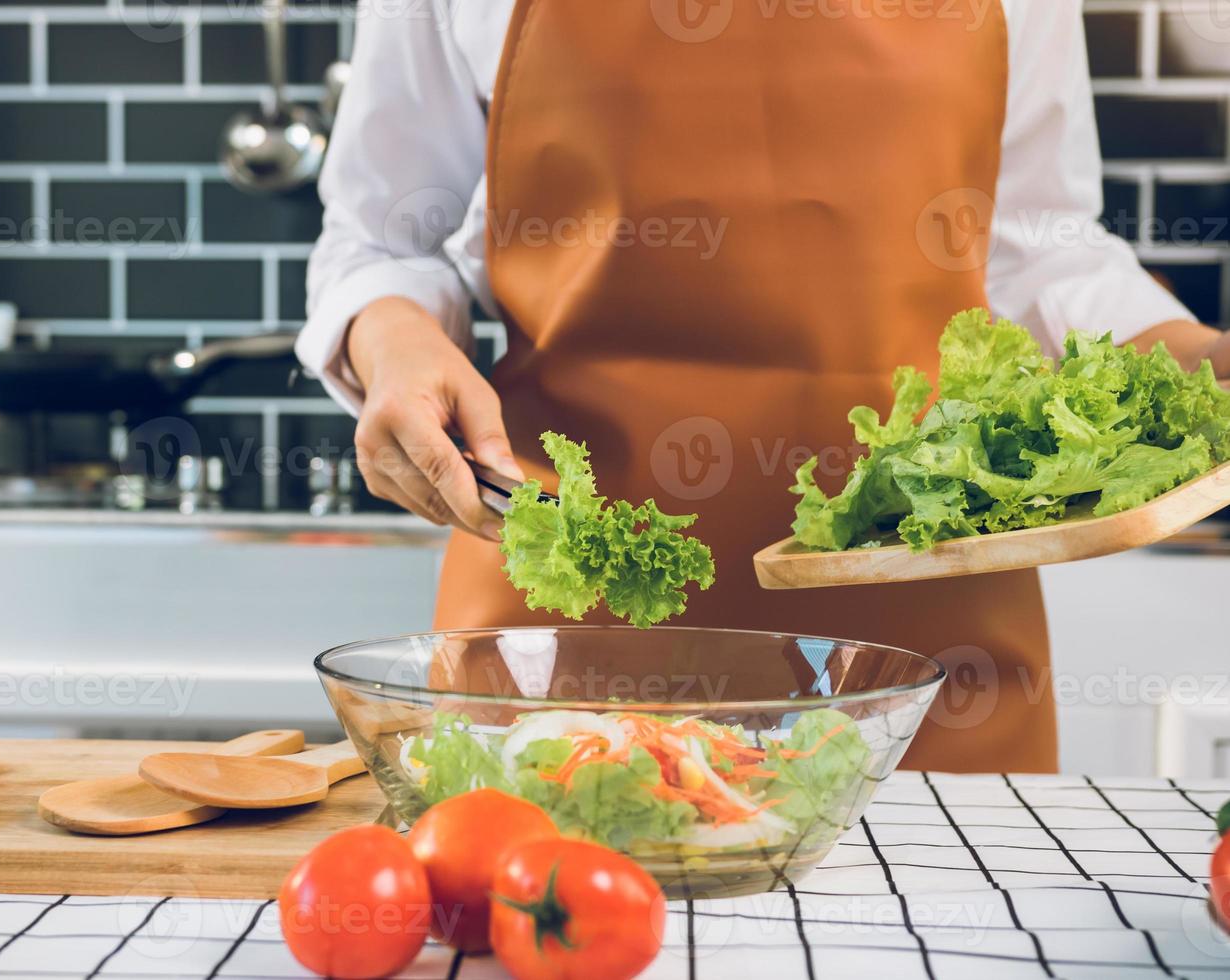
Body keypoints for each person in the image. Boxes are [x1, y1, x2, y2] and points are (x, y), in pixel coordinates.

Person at [295, 0, 1228, 772]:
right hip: (563, 641)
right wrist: (394, 341)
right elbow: (381, 241)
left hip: (930, 640)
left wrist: (1193, 360)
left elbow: (1037, 247)